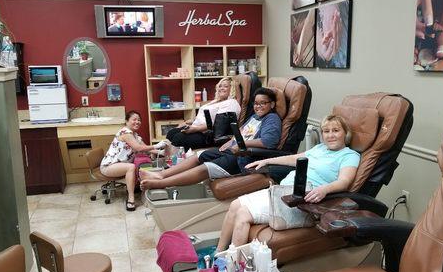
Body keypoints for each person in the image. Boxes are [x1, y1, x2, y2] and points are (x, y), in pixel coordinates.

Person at [216, 114, 360, 252]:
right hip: (283, 192)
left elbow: (344, 181)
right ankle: (219, 252)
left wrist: (324, 189)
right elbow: (294, 159)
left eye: (336, 130)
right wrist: (266, 161)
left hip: (302, 202)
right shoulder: (320, 148)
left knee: (243, 213)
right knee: (235, 205)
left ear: (345, 133)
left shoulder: (349, 155)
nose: (330, 135)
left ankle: (232, 266)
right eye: (326, 131)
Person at [140, 88, 282, 189]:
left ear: (272, 104)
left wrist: (240, 144)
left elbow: (268, 142)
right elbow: (241, 132)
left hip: (244, 157)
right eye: (256, 103)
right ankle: (161, 175)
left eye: (263, 103)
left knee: (205, 168)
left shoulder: (272, 119)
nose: (258, 106)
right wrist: (230, 141)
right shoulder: (255, 117)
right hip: (234, 149)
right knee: (198, 156)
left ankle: (161, 183)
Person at [100, 111, 164, 211]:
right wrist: (157, 145)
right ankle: (131, 199)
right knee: (131, 167)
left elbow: (146, 148)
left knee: (133, 166)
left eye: (139, 120)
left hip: (120, 165)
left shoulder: (135, 136)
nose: (137, 122)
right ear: (126, 121)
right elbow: (138, 148)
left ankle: (134, 188)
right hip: (108, 166)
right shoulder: (125, 132)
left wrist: (162, 152)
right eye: (134, 119)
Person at [166, 77, 241, 150]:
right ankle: (164, 151)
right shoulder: (216, 101)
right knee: (172, 133)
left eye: (225, 86)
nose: (221, 88)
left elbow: (218, 125)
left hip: (208, 135)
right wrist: (190, 122)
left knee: (179, 138)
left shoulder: (230, 103)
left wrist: (195, 129)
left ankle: (167, 154)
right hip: (199, 128)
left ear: (232, 89)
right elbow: (206, 117)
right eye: (220, 86)